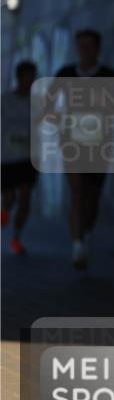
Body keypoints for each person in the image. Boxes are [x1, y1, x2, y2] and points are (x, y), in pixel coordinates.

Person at [53, 30, 114, 270]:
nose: (85, 50)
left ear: (98, 49)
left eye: (90, 45)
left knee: (92, 197)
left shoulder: (110, 77)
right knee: (77, 193)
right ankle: (77, 245)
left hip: (100, 144)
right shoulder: (65, 74)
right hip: (72, 142)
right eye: (81, 45)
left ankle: (87, 231)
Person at [1, 60, 39, 254]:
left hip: (28, 157)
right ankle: (5, 210)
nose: (29, 82)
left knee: (25, 198)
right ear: (18, 78)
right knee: (9, 196)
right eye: (26, 78)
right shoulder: (5, 100)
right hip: (7, 157)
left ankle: (16, 238)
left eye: (32, 78)